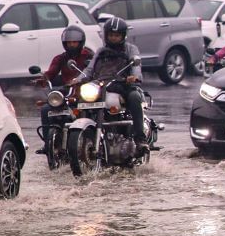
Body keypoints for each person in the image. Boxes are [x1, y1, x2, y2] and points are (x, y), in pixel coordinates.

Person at [73, 17, 147, 145]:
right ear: (106, 35)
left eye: (117, 35)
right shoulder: (101, 51)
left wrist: (134, 77)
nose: (113, 38)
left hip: (123, 84)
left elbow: (136, 65)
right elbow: (90, 69)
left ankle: (140, 138)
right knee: (80, 98)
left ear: (123, 36)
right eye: (111, 35)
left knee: (135, 97)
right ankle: (81, 139)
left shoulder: (130, 49)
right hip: (101, 84)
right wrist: (78, 79)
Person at [35, 25, 94, 153]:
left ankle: (96, 139)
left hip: (86, 90)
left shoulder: (89, 56)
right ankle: (48, 144)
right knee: (46, 109)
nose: (72, 45)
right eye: (69, 43)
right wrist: (44, 78)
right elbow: (51, 72)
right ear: (64, 43)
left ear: (81, 42)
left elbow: (94, 70)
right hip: (68, 90)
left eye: (75, 42)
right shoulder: (60, 58)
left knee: (95, 109)